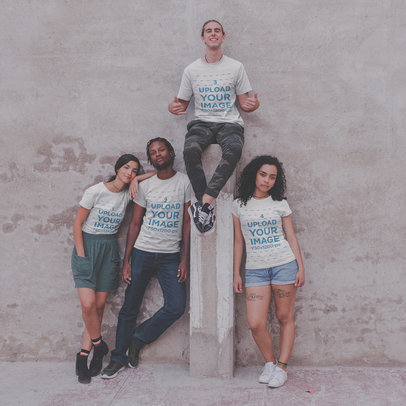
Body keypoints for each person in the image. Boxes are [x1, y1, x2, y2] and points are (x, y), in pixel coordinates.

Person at [101, 137, 192, 379]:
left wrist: (185, 259)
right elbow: (135, 222)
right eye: (153, 152)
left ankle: (138, 339)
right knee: (129, 307)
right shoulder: (145, 185)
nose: (158, 154)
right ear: (150, 159)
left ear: (171, 152)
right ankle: (117, 357)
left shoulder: (184, 182)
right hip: (142, 252)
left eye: (162, 149)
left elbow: (186, 221)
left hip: (171, 256)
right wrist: (127, 260)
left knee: (176, 306)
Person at [168, 19, 259, 234]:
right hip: (202, 122)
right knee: (190, 149)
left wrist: (252, 105)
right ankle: (204, 204)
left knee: (235, 149)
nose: (213, 34)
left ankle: (204, 202)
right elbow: (180, 103)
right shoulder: (191, 70)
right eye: (208, 31)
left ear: (223, 37)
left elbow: (245, 103)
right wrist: (173, 108)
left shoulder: (236, 66)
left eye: (217, 30)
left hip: (229, 123)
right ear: (203, 38)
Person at [72, 154, 154, 384]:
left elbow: (158, 173)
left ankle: (85, 356)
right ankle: (99, 345)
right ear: (117, 168)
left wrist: (137, 181)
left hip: (109, 249)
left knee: (98, 307)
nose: (129, 173)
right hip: (87, 247)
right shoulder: (96, 191)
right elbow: (77, 224)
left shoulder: (129, 193)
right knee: (88, 305)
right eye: (126, 168)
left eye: (134, 171)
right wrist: (81, 255)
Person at [232, 156, 305, 388]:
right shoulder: (238, 205)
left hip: (284, 264)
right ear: (255, 174)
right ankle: (270, 363)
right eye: (263, 174)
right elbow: (238, 243)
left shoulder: (279, 204)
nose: (267, 180)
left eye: (272, 177)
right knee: (255, 323)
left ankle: (282, 367)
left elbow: (291, 237)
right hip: (256, 270)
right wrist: (236, 273)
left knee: (285, 318)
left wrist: (300, 267)